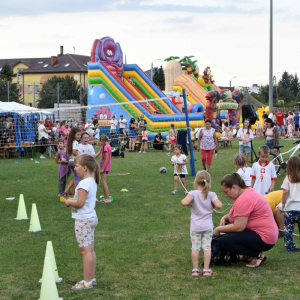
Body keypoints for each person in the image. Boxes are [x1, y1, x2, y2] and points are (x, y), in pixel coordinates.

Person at [214, 173, 278, 268]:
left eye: (226, 192)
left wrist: (219, 229)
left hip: (264, 237)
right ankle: (248, 254)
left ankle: (257, 255)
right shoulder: (246, 192)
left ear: (234, 187)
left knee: (226, 241)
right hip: (265, 234)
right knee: (227, 235)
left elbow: (239, 227)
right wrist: (224, 218)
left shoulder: (244, 199)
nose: (226, 195)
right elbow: (238, 215)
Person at [64, 154, 99, 290]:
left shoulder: (84, 183)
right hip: (91, 218)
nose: (75, 168)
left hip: (83, 220)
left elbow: (80, 203)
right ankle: (91, 278)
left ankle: (87, 282)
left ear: (84, 168)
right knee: (90, 250)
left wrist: (69, 202)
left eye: (77, 166)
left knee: (85, 252)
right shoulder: (91, 181)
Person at [181, 171, 222, 276]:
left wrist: (189, 203)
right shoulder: (211, 194)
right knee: (207, 247)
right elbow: (219, 205)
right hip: (207, 227)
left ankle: (195, 269)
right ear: (209, 182)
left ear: (195, 182)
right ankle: (206, 269)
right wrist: (213, 204)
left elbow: (184, 202)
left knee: (195, 247)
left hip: (195, 227)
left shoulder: (193, 193)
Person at [281, 156, 300, 252]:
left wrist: (283, 202)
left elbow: (285, 192)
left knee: (288, 229)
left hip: (290, 208)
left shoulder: (288, 178)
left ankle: (289, 246)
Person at [65, 128, 82, 196]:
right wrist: (81, 156)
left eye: (80, 135)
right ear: (73, 135)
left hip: (71, 161)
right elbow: (74, 152)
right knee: (78, 178)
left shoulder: (70, 142)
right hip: (75, 161)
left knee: (76, 176)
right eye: (78, 135)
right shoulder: (75, 142)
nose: (79, 136)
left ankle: (67, 190)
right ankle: (74, 195)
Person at [99, 135, 112, 203]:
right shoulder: (107, 146)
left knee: (103, 181)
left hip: (105, 167)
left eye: (100, 142)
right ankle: (105, 197)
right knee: (102, 181)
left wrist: (102, 168)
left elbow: (106, 158)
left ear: (102, 140)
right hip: (105, 166)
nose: (100, 143)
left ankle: (107, 198)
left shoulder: (106, 147)